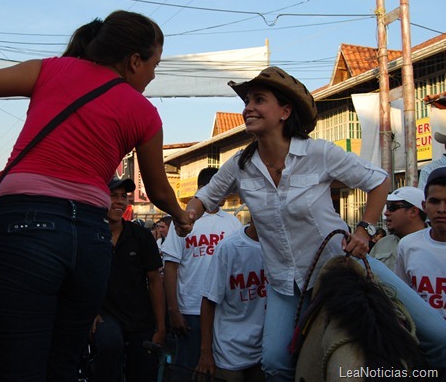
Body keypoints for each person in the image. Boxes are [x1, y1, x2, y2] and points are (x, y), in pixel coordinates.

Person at [0, 10, 192, 381]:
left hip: (25, 226)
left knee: (9, 362)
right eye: (154, 64)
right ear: (134, 61)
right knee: (64, 362)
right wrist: (181, 215)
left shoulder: (53, 70)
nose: (154, 75)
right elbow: (158, 190)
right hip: (90, 239)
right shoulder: (144, 113)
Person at [185, 66, 446, 380]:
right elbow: (203, 199)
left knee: (439, 336)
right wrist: (186, 217)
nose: (248, 108)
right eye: (247, 101)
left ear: (284, 111)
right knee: (275, 363)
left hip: (342, 265)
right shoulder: (239, 164)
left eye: (258, 99)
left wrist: (364, 230)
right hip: (284, 284)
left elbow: (378, 182)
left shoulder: (319, 153)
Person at [162, 167, 242, 369]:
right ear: (205, 189)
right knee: (188, 369)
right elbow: (170, 267)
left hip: (225, 311)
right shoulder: (183, 222)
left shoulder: (233, 223)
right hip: (191, 310)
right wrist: (174, 310)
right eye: (221, 188)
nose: (225, 193)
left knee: (218, 370)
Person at [90, 177, 165, 382]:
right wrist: (90, 313)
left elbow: (155, 281)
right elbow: (79, 279)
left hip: (140, 322)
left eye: (123, 196)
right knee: (109, 346)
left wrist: (161, 327)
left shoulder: (141, 236)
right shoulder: (91, 235)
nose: (120, 201)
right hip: (106, 319)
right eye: (113, 195)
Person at [196, 221, 266, 382]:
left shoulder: (278, 247)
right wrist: (206, 352)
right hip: (229, 353)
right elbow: (208, 301)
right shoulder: (229, 248)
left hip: (263, 353)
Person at [395, 168, 446, 320]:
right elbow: (400, 298)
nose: (442, 210)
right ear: (424, 206)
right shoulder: (408, 245)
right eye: (435, 202)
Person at [370, 186, 427, 270]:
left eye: (392, 207)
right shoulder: (382, 244)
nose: (386, 213)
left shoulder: (436, 245)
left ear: (413, 211)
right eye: (387, 207)